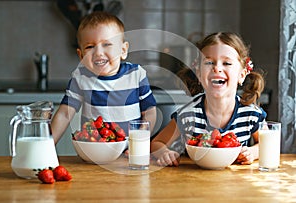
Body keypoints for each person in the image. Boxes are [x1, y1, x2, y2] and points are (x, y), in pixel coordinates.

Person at [151, 32, 267, 166]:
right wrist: (165, 153)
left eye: (227, 63)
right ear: (199, 74)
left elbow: (267, 144)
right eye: (209, 62)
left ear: (242, 75)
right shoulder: (188, 114)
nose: (217, 68)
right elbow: (157, 143)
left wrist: (252, 152)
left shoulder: (251, 113)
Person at [51, 11, 157, 144]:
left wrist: (139, 140)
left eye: (107, 44)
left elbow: (150, 112)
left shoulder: (136, 74)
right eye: (90, 47)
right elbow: (64, 114)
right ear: (81, 56)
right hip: (94, 153)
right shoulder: (81, 78)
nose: (98, 53)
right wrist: (47, 148)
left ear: (123, 50)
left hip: (129, 154)